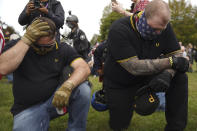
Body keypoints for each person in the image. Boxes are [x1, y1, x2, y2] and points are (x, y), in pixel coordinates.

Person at [103, 0, 189, 130]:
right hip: (120, 82)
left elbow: (176, 55)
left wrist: (167, 74)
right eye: (155, 29)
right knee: (119, 124)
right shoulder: (119, 29)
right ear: (143, 16)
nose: (159, 33)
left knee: (180, 77)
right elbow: (134, 66)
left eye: (162, 30)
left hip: (146, 77)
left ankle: (176, 127)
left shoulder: (164, 27)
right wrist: (169, 62)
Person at [0, 17, 91, 131]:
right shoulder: (18, 45)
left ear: (55, 35)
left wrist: (68, 85)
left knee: (83, 89)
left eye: (47, 46)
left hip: (55, 100)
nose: (42, 50)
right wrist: (26, 40)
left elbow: (84, 68)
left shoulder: (62, 48)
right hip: (27, 108)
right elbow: (2, 68)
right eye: (37, 46)